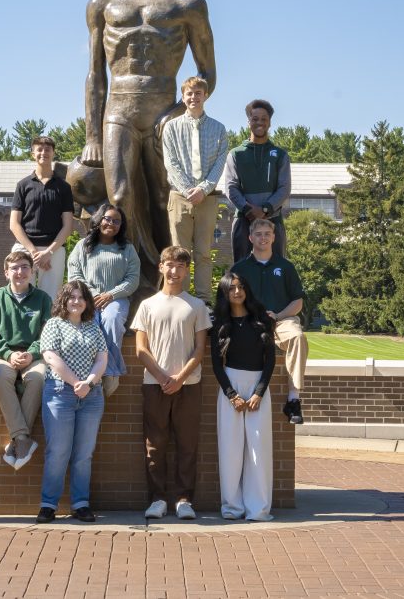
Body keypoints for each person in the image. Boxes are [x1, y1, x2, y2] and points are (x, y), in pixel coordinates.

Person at [80, 0, 217, 289]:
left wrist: (181, 114)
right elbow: (95, 74)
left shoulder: (187, 5)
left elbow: (208, 72)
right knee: (121, 196)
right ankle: (134, 280)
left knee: (162, 199)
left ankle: (166, 280)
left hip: (164, 113)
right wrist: (92, 134)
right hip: (119, 110)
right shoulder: (103, 5)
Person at [131, 246, 211, 520]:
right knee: (155, 444)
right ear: (161, 267)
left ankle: (184, 499)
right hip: (155, 385)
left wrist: (180, 378)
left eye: (180, 266)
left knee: (187, 445)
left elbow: (200, 351)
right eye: (169, 265)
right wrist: (164, 377)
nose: (174, 270)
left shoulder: (197, 306)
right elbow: (141, 349)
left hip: (189, 385)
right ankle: (157, 499)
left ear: (186, 270)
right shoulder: (147, 305)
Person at [36, 280, 109, 524]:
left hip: (92, 396)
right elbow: (50, 356)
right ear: (64, 301)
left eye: (81, 297)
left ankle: (81, 504)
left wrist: (88, 382)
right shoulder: (54, 325)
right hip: (59, 394)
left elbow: (102, 359)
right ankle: (48, 505)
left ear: (87, 302)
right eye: (71, 297)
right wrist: (75, 383)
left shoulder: (93, 328)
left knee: (83, 454)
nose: (76, 301)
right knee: (58, 452)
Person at [212, 272, 276, 521]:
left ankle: (258, 509)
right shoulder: (219, 324)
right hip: (231, 387)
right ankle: (232, 507)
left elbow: (270, 360)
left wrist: (259, 392)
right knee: (230, 450)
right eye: (231, 288)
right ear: (225, 293)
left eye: (240, 287)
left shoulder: (262, 320)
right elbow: (217, 364)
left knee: (258, 450)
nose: (237, 292)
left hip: (258, 387)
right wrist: (232, 395)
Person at [230, 218, 307, 425]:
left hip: (282, 320)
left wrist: (279, 316)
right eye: (258, 234)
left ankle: (293, 399)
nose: (263, 238)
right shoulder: (240, 268)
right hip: (250, 321)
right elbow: (231, 299)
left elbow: (298, 301)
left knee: (298, 337)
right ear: (250, 237)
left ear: (273, 237)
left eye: (267, 234)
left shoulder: (286, 266)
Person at [0, 250, 52, 470]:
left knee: (38, 377)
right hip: (4, 355)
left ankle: (18, 439)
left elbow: (48, 333)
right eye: (15, 268)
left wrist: (31, 353)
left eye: (24, 267)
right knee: (0, 376)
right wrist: (8, 354)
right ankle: (23, 439)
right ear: (6, 273)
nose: (20, 272)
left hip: (34, 355)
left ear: (32, 272)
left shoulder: (42, 299)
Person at [161, 76, 228, 304]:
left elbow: (220, 163)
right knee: (178, 253)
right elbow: (170, 162)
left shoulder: (218, 129)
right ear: (183, 96)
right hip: (180, 197)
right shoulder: (171, 127)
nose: (193, 97)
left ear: (205, 96)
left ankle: (203, 301)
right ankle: (180, 297)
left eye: (198, 93)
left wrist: (204, 189)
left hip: (207, 199)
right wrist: (189, 189)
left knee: (204, 253)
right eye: (189, 93)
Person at [66, 203, 139, 398]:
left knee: (111, 319)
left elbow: (132, 279)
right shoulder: (83, 246)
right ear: (98, 220)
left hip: (117, 299)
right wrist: (91, 294)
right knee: (92, 322)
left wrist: (110, 295)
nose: (112, 224)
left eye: (117, 221)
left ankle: (108, 372)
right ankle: (104, 371)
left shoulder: (127, 249)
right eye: (108, 219)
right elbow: (74, 275)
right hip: (87, 298)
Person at [224, 99, 291, 262]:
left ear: (269, 123)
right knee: (242, 274)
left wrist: (265, 209)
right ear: (248, 122)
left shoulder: (280, 155)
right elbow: (230, 187)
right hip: (243, 221)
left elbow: (284, 188)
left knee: (275, 271)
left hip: (273, 221)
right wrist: (248, 210)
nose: (259, 122)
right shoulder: (236, 154)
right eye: (255, 119)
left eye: (264, 119)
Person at [10, 136, 74, 297]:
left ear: (53, 153)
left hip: (54, 250)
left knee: (51, 298)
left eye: (47, 149)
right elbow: (14, 224)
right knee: (20, 295)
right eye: (39, 149)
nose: (43, 153)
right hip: (25, 248)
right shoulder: (23, 185)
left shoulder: (64, 187)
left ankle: (47, 324)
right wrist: (33, 253)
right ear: (33, 153)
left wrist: (49, 253)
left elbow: (68, 225)